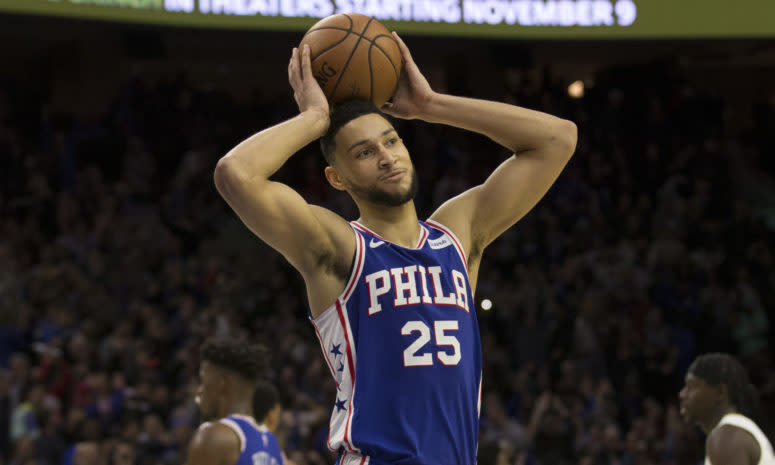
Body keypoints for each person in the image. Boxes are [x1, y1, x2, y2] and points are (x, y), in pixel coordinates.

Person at [214, 32, 577, 465]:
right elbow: (235, 174)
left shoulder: (456, 235)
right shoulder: (340, 246)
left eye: (391, 141)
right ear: (337, 178)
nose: (386, 157)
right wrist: (315, 117)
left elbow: (558, 139)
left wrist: (431, 106)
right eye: (364, 152)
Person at [183, 338, 284, 465]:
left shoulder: (213, 437)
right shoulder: (272, 443)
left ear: (221, 383)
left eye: (203, 382)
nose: (199, 391)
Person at [679, 352, 775, 465]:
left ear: (720, 392)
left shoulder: (726, 436)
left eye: (692, 386)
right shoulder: (734, 430)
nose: (682, 394)